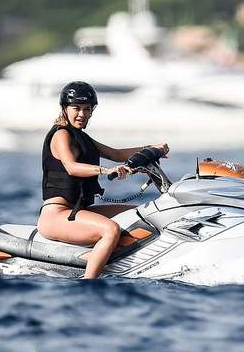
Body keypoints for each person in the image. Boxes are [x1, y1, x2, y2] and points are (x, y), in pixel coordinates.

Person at [37, 81, 169, 279]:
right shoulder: (61, 134)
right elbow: (71, 167)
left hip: (78, 210)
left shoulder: (82, 137)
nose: (82, 114)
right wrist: (106, 170)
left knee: (140, 213)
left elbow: (116, 154)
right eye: (76, 108)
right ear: (65, 108)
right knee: (110, 230)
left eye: (87, 109)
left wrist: (152, 149)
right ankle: (88, 283)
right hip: (56, 215)